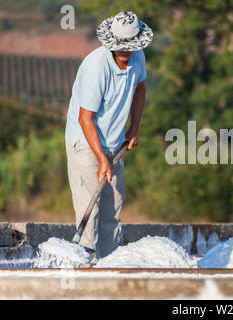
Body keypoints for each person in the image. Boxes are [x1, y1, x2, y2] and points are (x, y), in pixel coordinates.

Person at [65, 11, 153, 259]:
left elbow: (140, 88)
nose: (126, 52)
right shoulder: (96, 68)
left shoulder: (138, 57)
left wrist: (134, 128)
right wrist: (101, 159)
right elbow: (85, 119)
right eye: (121, 48)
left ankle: (109, 266)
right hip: (86, 143)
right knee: (89, 210)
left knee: (112, 210)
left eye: (131, 47)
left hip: (115, 144)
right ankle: (86, 265)